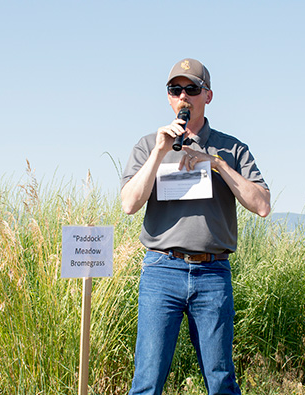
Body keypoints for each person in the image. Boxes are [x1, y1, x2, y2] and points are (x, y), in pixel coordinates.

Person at [121, 58, 271, 395]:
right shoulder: (149, 145)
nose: (183, 96)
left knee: (220, 380)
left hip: (212, 273)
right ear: (169, 98)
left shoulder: (232, 148)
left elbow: (261, 205)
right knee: (147, 380)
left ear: (208, 95)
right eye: (176, 90)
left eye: (192, 89)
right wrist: (160, 152)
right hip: (162, 270)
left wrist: (216, 164)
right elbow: (129, 204)